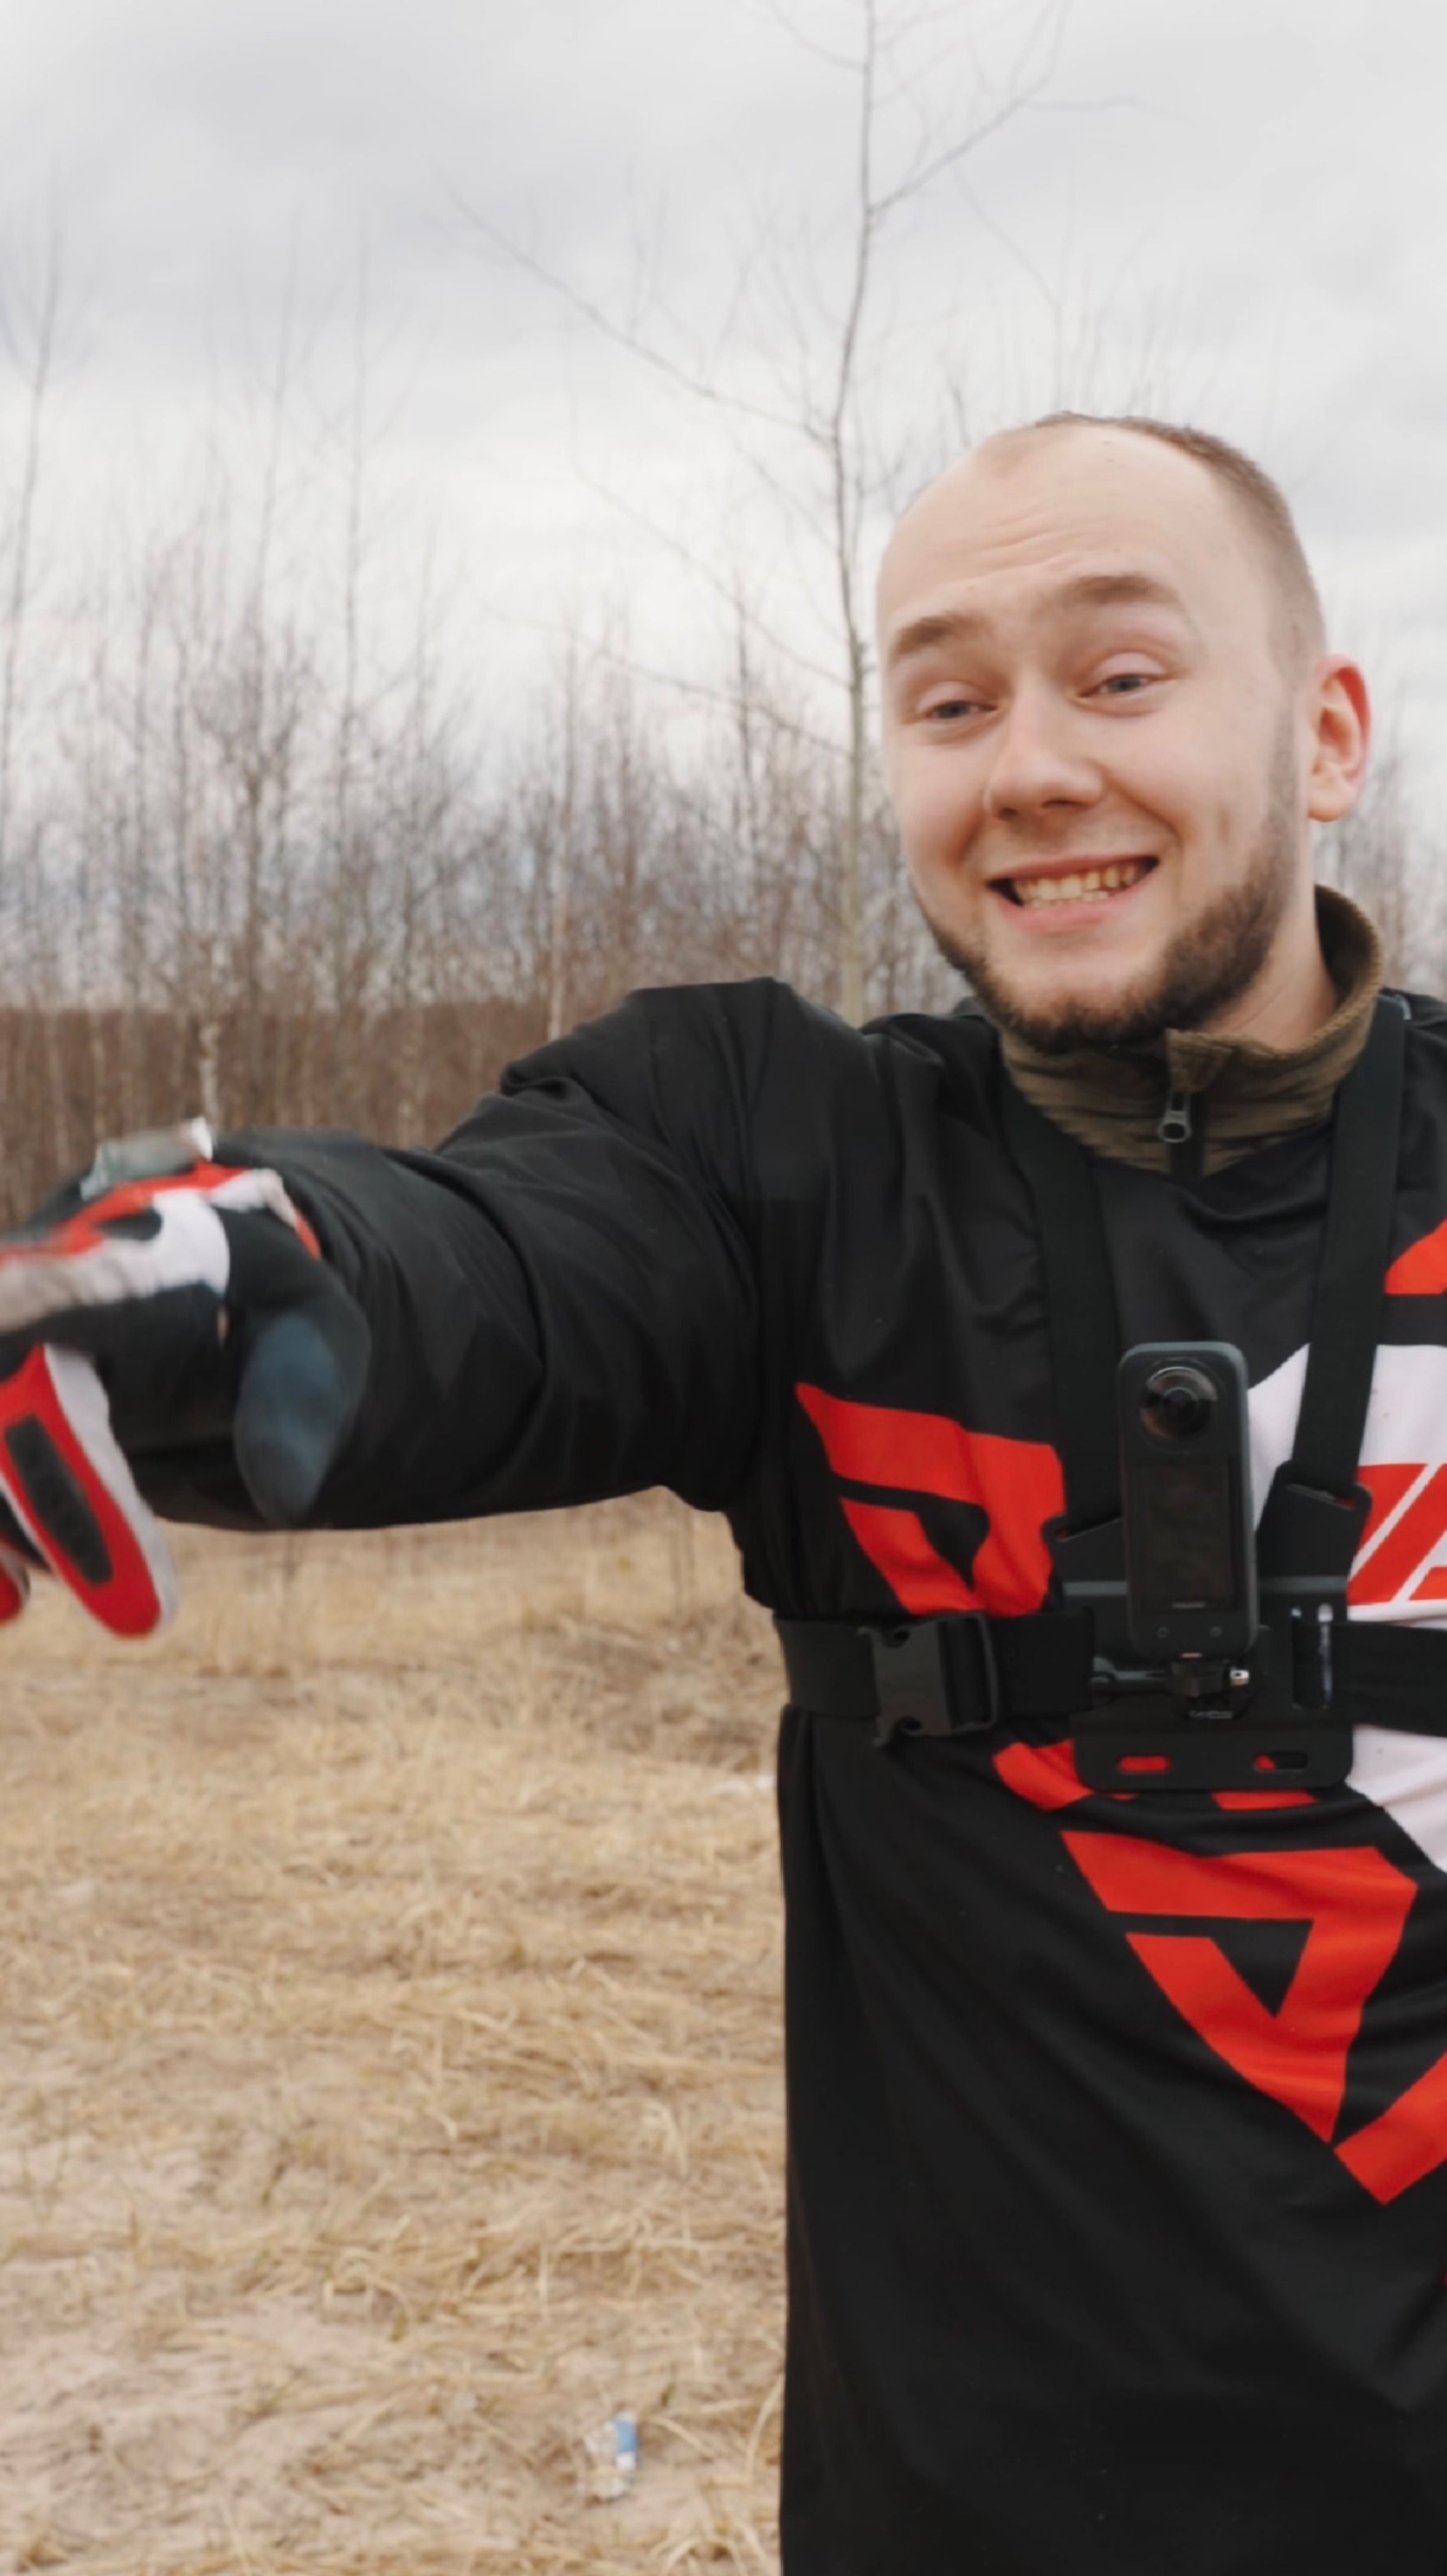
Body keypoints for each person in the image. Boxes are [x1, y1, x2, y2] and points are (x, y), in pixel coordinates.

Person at [2, 413, 1446, 2575]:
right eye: (946, 702)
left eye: (1120, 675)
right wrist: (239, 1277)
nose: (1027, 766)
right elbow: (505, 1260)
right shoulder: (791, 1162)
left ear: (1323, 735)